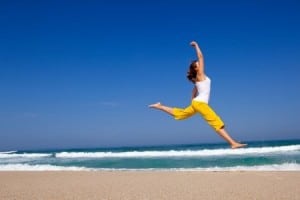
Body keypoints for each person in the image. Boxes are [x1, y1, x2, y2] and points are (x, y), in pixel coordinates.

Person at [149, 41, 247, 149]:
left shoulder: (198, 79)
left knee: (181, 114)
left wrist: (192, 101)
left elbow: (193, 91)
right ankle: (232, 143)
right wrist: (196, 46)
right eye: (198, 65)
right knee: (216, 122)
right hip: (200, 104)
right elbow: (201, 56)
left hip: (197, 103)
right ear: (196, 69)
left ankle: (160, 106)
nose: (200, 64)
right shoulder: (200, 75)